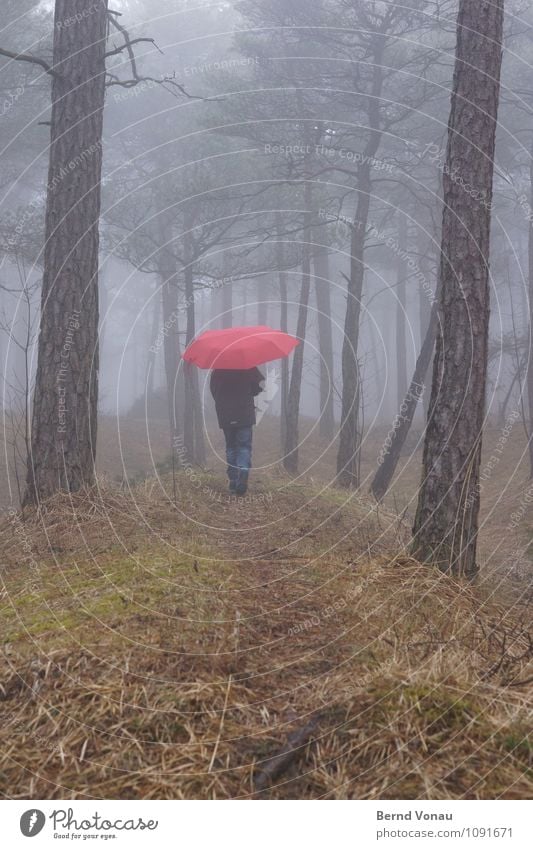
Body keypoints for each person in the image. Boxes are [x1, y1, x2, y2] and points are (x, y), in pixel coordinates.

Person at [210, 367, 264, 496]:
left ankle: (234, 481)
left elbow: (214, 392)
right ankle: (243, 469)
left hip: (226, 414)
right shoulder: (248, 366)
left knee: (231, 447)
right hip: (244, 413)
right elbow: (257, 388)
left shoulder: (217, 370)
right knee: (244, 446)